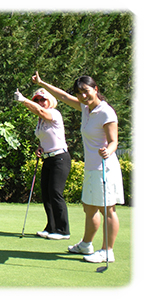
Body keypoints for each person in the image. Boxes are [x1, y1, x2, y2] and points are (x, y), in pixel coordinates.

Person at [32, 71, 124, 263]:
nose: (82, 96)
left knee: (107, 209)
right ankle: (86, 244)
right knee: (89, 208)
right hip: (91, 167)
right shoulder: (86, 109)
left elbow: (114, 141)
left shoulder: (106, 112)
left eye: (86, 91)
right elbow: (63, 96)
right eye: (79, 92)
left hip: (105, 167)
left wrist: (109, 150)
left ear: (95, 89)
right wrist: (42, 83)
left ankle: (108, 250)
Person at [14, 88, 71, 240]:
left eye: (42, 100)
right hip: (48, 158)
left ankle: (63, 230)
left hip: (60, 158)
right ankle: (51, 227)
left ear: (49, 101)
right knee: (46, 194)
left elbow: (42, 112)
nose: (40, 103)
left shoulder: (53, 113)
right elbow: (44, 137)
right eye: (37, 100)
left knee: (55, 193)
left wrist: (24, 100)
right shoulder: (40, 121)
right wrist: (40, 147)